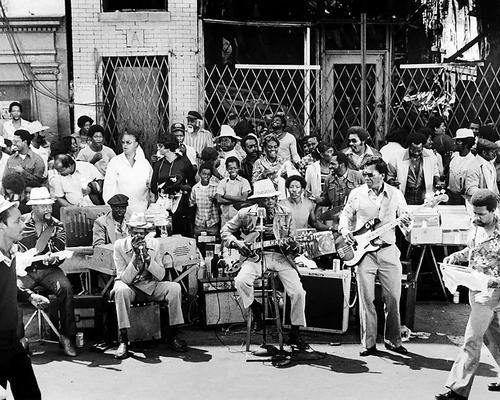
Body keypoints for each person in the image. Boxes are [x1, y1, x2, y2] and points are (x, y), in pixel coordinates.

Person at [221, 179, 308, 350]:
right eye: (265, 199)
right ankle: (255, 308)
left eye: (272, 198)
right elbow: (225, 231)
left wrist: (295, 246)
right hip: (255, 256)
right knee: (240, 281)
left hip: (280, 256)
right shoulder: (246, 213)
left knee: (298, 292)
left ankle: (295, 333)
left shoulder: (286, 212)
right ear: (257, 201)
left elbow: (294, 241)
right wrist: (237, 243)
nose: (269, 202)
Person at [339, 157, 411, 356]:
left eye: (371, 174)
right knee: (366, 299)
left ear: (383, 175)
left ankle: (393, 341)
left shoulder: (395, 194)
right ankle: (368, 343)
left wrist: (407, 224)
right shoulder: (357, 193)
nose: (367, 178)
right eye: (364, 174)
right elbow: (346, 215)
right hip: (364, 254)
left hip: (388, 250)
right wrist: (345, 230)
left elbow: (406, 218)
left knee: (393, 298)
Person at [436, 189, 500, 400]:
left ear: (493, 210)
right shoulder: (477, 226)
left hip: (491, 292)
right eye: (474, 213)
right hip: (475, 287)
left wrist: (495, 281)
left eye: (481, 214)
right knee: (494, 337)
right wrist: (457, 256)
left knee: (472, 340)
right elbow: (473, 250)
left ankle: (458, 389)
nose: (476, 218)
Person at [112, 213, 187, 359]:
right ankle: (124, 339)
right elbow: (125, 279)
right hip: (131, 287)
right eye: (134, 232)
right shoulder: (119, 246)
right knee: (120, 290)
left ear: (146, 233)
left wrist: (147, 258)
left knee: (175, 288)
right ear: (128, 231)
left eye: (141, 233)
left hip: (150, 286)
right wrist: (135, 257)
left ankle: (173, 335)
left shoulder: (154, 244)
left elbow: (160, 275)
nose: (138, 236)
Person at [17, 187, 77, 357]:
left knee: (66, 288)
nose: (48, 209)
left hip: (49, 270)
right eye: (43, 206)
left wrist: (55, 259)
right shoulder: (20, 222)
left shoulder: (57, 225)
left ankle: (67, 337)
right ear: (33, 207)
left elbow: (61, 252)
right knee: (12, 291)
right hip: (25, 271)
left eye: (49, 206)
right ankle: (20, 339)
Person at [0, 195, 45, 399]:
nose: (23, 224)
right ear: (2, 226)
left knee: (30, 395)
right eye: (17, 221)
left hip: (12, 339)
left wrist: (29, 296)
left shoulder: (12, 251)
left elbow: (9, 287)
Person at [103, 131, 153, 215]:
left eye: (128, 142)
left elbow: (151, 187)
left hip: (142, 211)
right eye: (123, 142)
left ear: (136, 144)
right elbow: (108, 189)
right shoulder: (115, 162)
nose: (125, 145)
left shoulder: (144, 163)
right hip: (121, 212)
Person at [388, 131, 440, 205]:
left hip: (423, 194)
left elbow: (435, 172)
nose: (416, 153)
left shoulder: (431, 156)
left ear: (423, 147)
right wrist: (391, 181)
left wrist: (437, 181)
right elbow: (390, 174)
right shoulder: (397, 156)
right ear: (409, 146)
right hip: (406, 195)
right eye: (413, 150)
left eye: (419, 151)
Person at [314, 151, 364, 225]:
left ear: (342, 165)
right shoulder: (328, 179)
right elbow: (327, 200)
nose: (330, 166)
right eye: (329, 163)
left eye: (333, 164)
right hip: (337, 221)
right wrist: (318, 200)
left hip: (356, 220)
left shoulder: (357, 177)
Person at [151, 133, 195, 200]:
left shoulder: (184, 162)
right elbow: (153, 185)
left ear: (168, 147)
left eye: (160, 146)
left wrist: (183, 190)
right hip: (162, 203)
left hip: (180, 203)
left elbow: (191, 182)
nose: (158, 148)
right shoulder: (159, 164)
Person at [216, 156, 251, 227]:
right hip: (225, 219)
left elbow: (244, 198)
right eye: (230, 168)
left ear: (239, 168)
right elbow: (219, 199)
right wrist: (236, 201)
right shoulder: (223, 182)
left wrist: (226, 196)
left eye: (235, 168)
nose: (233, 170)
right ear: (226, 169)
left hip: (239, 219)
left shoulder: (244, 182)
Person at [464, 138, 500, 205]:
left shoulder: (490, 164)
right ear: (484, 152)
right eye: (492, 152)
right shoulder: (474, 166)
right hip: (477, 204)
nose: (495, 154)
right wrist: (488, 194)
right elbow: (470, 189)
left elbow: (494, 186)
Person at [189, 164, 219, 239]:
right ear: (199, 174)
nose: (206, 176)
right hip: (199, 223)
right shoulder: (195, 188)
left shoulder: (216, 187)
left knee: (212, 245)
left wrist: (216, 200)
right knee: (199, 245)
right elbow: (192, 204)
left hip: (213, 223)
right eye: (204, 174)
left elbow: (219, 203)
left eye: (209, 174)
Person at [447, 129, 477, 205]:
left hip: (463, 199)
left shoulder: (473, 161)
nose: (455, 143)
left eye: (459, 141)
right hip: (450, 196)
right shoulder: (454, 157)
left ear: (466, 144)